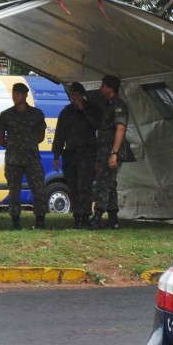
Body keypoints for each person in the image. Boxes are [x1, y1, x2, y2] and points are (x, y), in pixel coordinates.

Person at [0, 82, 48, 230]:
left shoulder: (36, 114)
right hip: (13, 159)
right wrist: (12, 146)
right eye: (13, 93)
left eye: (18, 93)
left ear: (25, 95)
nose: (15, 96)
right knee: (14, 191)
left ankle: (40, 220)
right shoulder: (6, 115)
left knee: (38, 189)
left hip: (32, 158)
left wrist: (28, 145)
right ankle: (15, 221)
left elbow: (41, 136)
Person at [52, 82, 99, 229]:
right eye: (72, 95)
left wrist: (83, 110)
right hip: (71, 155)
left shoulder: (92, 110)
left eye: (76, 94)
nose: (74, 98)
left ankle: (84, 217)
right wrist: (56, 156)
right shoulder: (66, 112)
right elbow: (60, 135)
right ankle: (77, 216)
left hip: (87, 154)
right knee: (73, 187)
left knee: (84, 186)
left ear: (82, 95)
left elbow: (97, 125)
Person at [91, 75, 129, 230]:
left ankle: (97, 216)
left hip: (112, 153)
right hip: (105, 153)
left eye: (103, 86)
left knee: (103, 183)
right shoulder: (108, 106)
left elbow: (120, 128)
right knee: (110, 185)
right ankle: (113, 219)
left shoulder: (118, 106)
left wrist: (114, 152)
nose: (101, 89)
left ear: (110, 88)